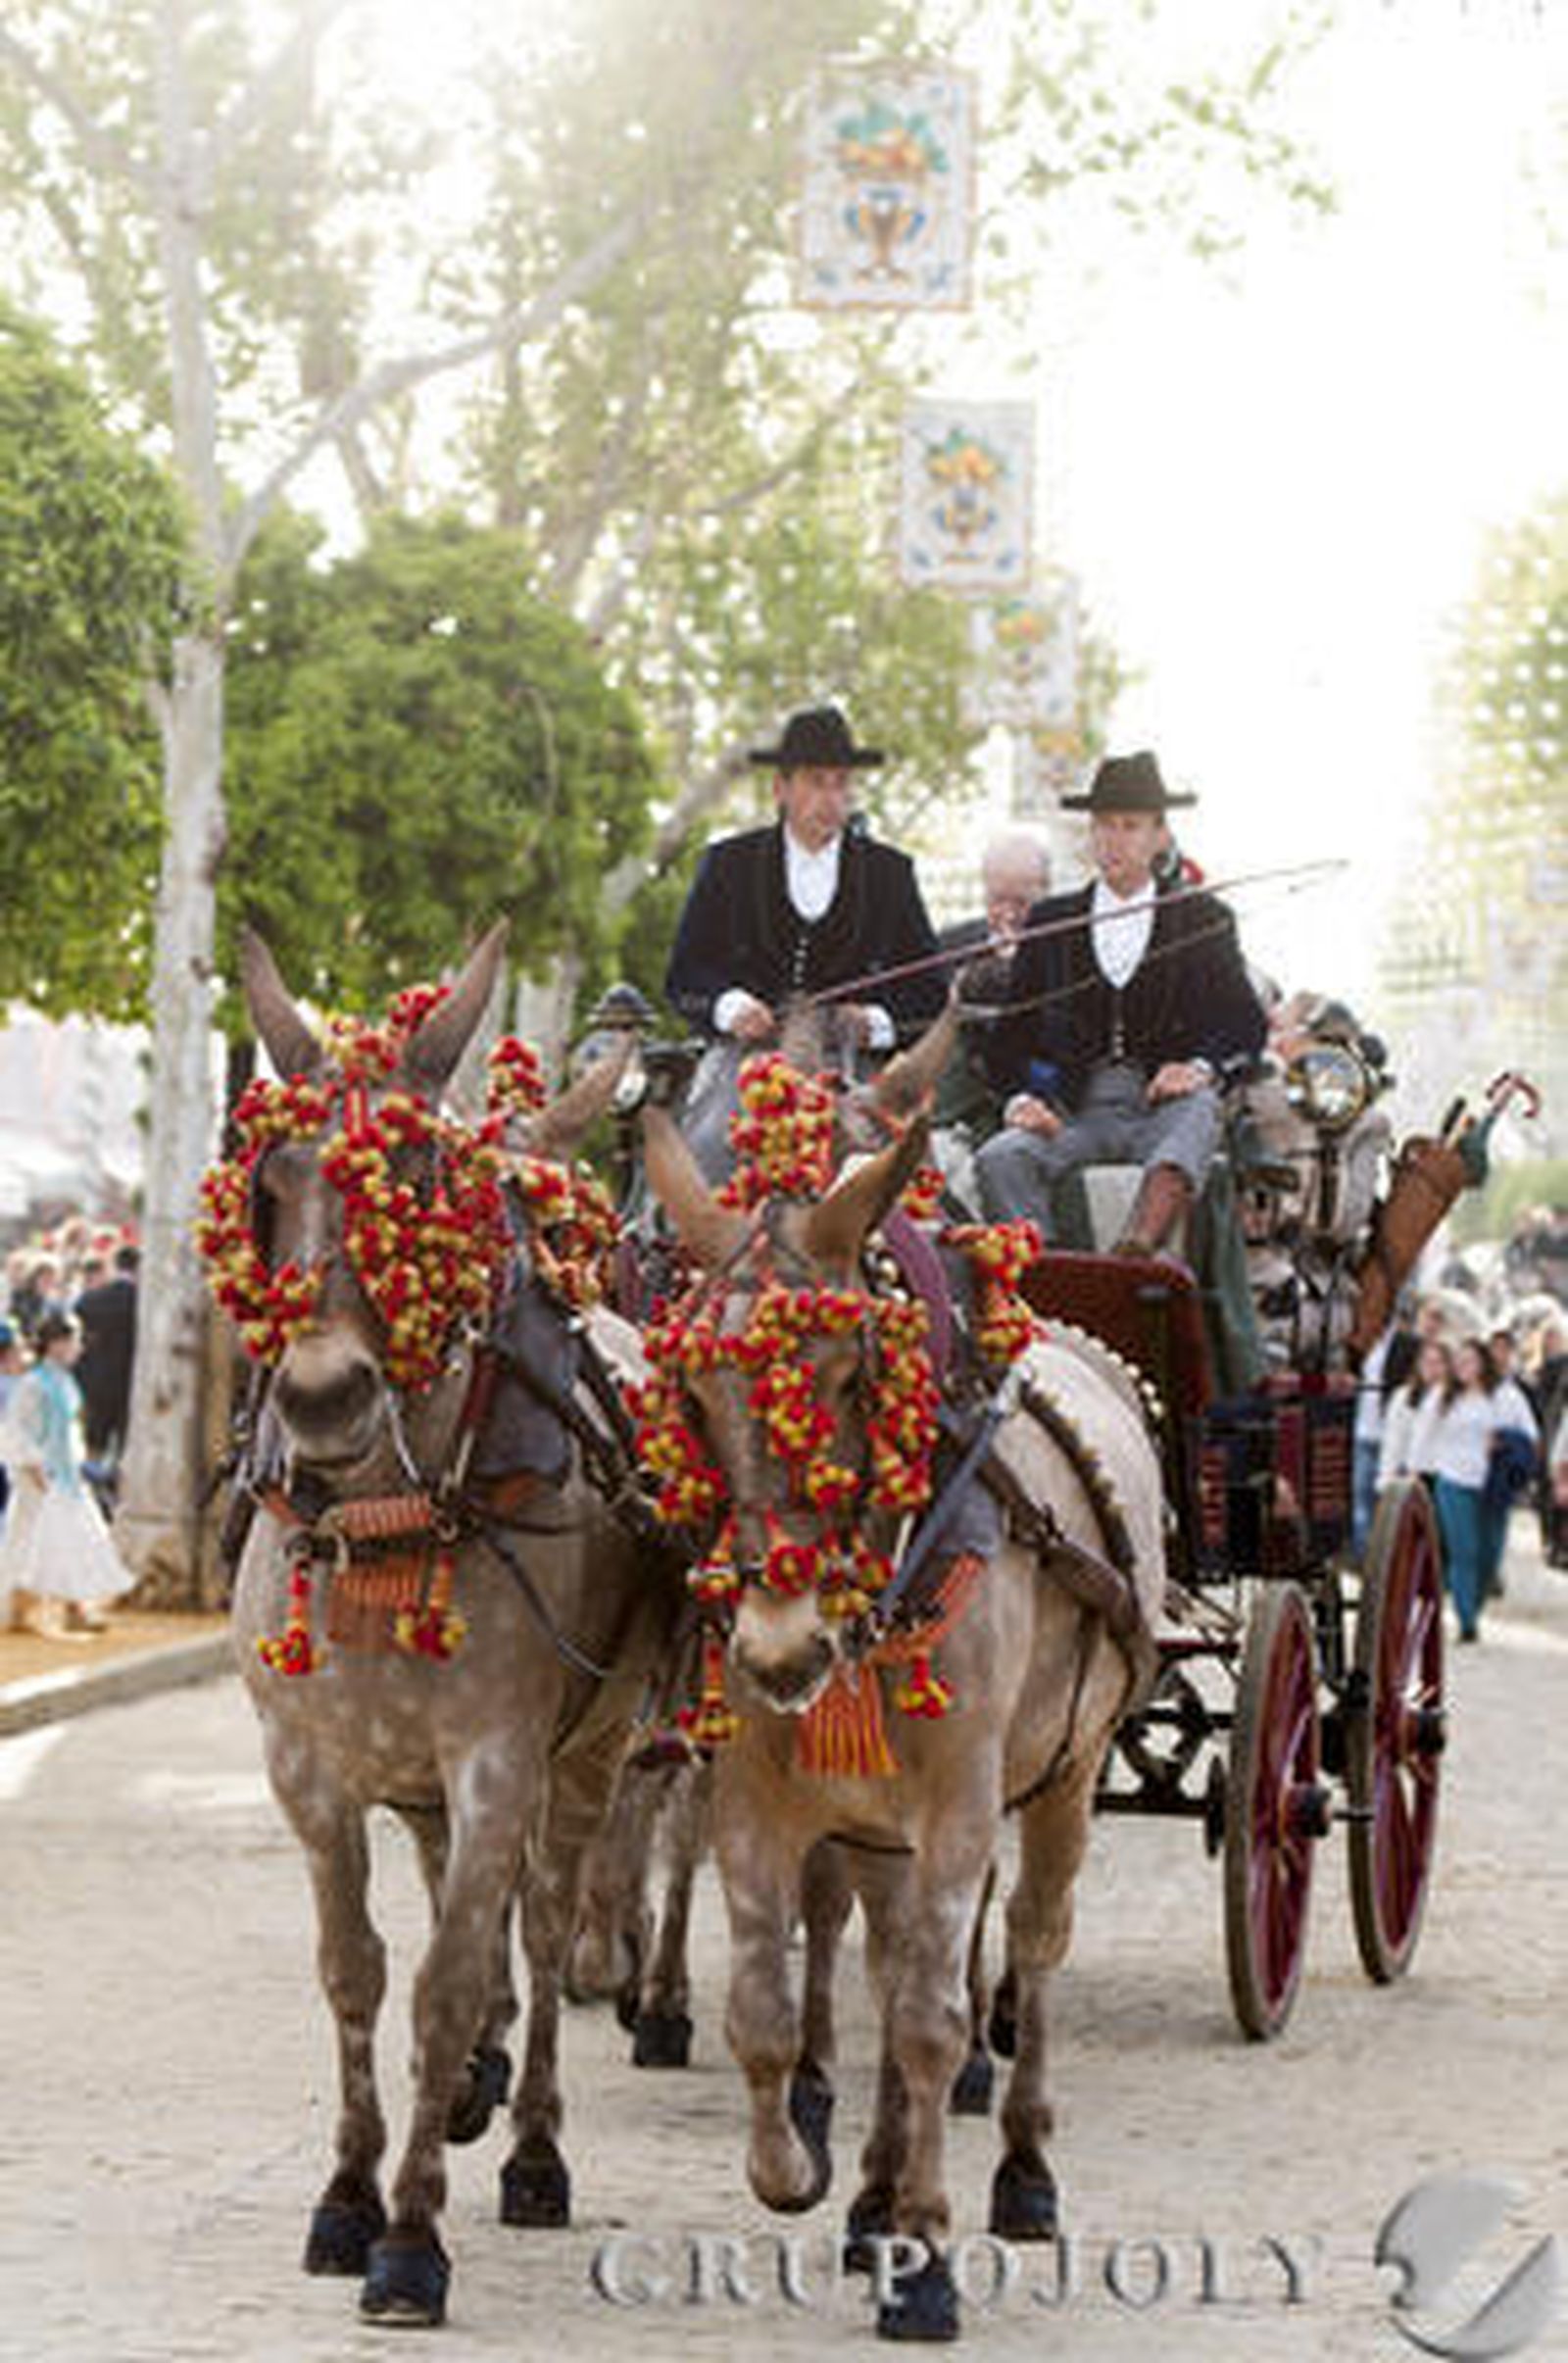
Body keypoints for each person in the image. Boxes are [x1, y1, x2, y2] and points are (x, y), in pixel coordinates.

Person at [974, 750, 1267, 1256]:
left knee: (1199, 1110)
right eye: (1104, 825)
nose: (1114, 839)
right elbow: (1007, 1041)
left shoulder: (1202, 917)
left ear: (1161, 836)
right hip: (1075, 1111)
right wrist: (1022, 1100)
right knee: (1000, 1158)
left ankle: (1135, 1253)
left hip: (1161, 1110)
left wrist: (1199, 1067)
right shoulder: (1052, 921)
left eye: (1130, 826)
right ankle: (1049, 1281)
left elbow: (1244, 1024)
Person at [664, 703, 947, 1179]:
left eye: (841, 784)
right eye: (817, 782)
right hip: (749, 1061)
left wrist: (873, 1021)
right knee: (713, 1143)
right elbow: (685, 973)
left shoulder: (889, 873)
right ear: (781, 788)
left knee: (905, 1167)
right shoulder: (728, 863)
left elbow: (928, 992)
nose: (832, 798)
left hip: (852, 1064)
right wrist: (731, 1007)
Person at [0, 1308, 133, 1638]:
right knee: (33, 1545)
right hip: (41, 1478)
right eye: (73, 1341)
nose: (79, 1348)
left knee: (73, 1540)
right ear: (56, 1344)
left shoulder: (61, 1380)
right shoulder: (34, 1384)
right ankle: (27, 1610)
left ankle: (72, 1608)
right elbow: (17, 1430)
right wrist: (34, 1469)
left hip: (65, 1476)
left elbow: (69, 1430)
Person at [937, 827, 1053, 1143]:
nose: (1008, 914)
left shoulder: (1066, 949)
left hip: (1034, 1103)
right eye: (997, 899)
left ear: (1046, 892)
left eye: (1022, 902)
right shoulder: (950, 944)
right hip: (955, 1103)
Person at [1428, 1336, 1500, 1644]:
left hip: (1485, 1484)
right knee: (1463, 1551)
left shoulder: (1497, 1398)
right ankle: (1466, 1618)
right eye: (1459, 1362)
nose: (1463, 1368)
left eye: (1470, 1361)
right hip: (1451, 1479)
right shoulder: (1443, 1397)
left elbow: (1518, 1433)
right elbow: (1423, 1436)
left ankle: (1472, 1603)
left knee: (1487, 1554)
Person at [1477, 1325, 1539, 1600]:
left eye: (1504, 1350)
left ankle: (1491, 1571)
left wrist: (1505, 1442)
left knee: (1495, 1525)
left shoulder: (1513, 1395)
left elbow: (1530, 1434)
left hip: (1498, 1469)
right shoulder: (1472, 1386)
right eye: (1495, 1350)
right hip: (1468, 1464)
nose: (1499, 1356)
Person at [74, 1241, 139, 1475]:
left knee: (94, 1443)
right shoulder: (143, 1301)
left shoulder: (89, 1301)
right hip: (131, 1383)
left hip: (95, 1384)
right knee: (126, 1445)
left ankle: (90, 1490)